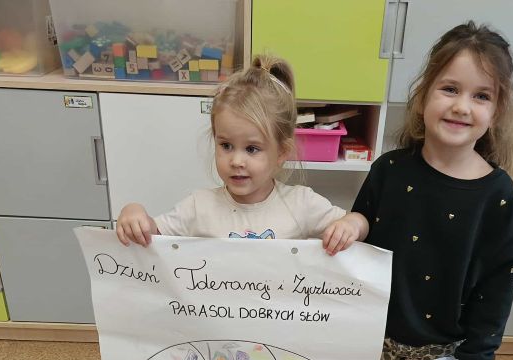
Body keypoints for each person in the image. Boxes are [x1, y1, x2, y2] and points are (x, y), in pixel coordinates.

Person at [351, 22, 513, 360]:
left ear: (495, 111)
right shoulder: (389, 169)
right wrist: (350, 224)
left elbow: (498, 279)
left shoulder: (497, 193)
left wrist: (480, 355)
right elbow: (363, 220)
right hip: (377, 330)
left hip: (442, 343)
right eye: (450, 88)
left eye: (480, 96)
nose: (462, 106)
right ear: (424, 94)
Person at [115, 55, 367, 253]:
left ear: (281, 152)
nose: (236, 161)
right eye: (226, 146)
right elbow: (153, 233)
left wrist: (351, 225)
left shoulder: (301, 204)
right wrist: (134, 212)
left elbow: (359, 223)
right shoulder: (198, 207)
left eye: (252, 149)